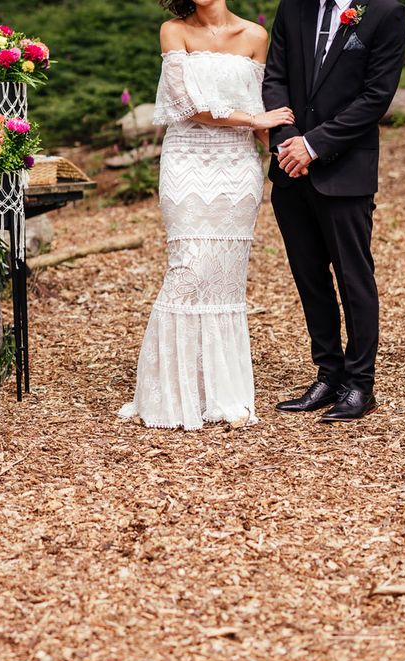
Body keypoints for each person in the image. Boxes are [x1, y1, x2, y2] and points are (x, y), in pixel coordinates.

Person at [119, 0, 294, 430]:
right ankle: (168, 395)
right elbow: (184, 104)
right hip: (187, 163)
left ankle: (221, 392)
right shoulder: (173, 31)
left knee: (225, 279)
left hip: (237, 168)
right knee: (188, 270)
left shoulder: (255, 36)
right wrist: (253, 118)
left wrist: (286, 144)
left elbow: (263, 104)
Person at [263, 0, 405, 422]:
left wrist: (314, 145)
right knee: (310, 279)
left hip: (346, 173)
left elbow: (375, 97)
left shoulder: (385, 12)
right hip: (291, 172)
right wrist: (290, 142)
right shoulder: (294, 8)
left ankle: (360, 383)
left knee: (353, 278)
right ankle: (328, 374)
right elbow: (275, 78)